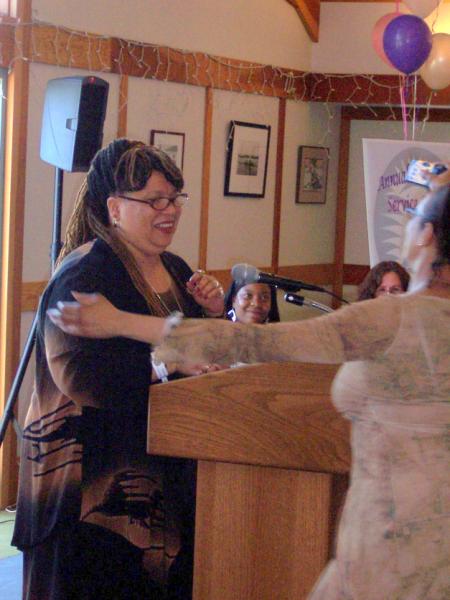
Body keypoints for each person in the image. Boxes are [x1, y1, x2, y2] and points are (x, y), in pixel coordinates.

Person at [48, 182, 450, 599]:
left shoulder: (390, 318)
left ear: (426, 234)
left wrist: (121, 322)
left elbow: (256, 342)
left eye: (413, 218)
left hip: (390, 540)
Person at [12, 138, 225, 600]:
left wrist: (212, 313)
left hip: (165, 477)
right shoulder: (84, 273)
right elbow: (79, 373)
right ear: (115, 208)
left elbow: (197, 353)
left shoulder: (176, 268)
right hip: (90, 490)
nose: (170, 211)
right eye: (154, 200)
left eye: (175, 198)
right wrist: (166, 364)